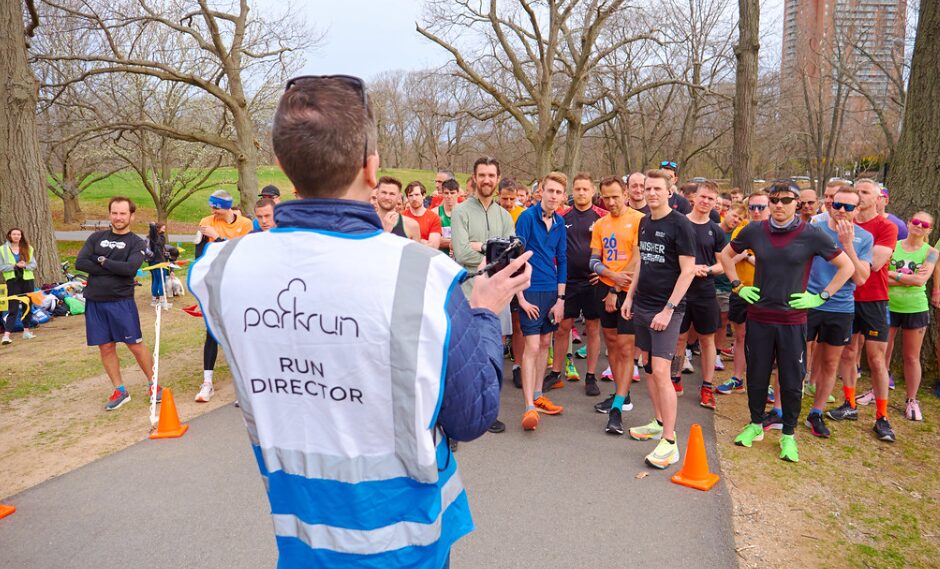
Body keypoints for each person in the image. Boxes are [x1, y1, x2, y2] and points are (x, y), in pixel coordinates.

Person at [189, 75, 534, 569]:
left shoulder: (218, 270)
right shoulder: (424, 275)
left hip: (300, 533)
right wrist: (482, 311)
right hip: (407, 540)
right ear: (372, 168)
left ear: (285, 167)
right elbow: (471, 416)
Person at [719, 180, 853, 463]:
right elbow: (726, 255)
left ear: (798, 204)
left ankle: (789, 435)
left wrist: (821, 296)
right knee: (756, 375)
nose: (779, 205)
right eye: (774, 200)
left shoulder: (811, 234)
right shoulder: (755, 230)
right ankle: (756, 424)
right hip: (759, 317)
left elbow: (847, 266)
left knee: (792, 380)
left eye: (786, 200)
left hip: (793, 319)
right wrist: (738, 285)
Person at [622, 169, 696, 469]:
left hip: (668, 309)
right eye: (647, 188)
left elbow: (688, 270)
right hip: (642, 304)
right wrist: (629, 296)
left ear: (669, 191)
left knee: (663, 372)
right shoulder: (643, 222)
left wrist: (668, 309)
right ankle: (658, 421)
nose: (651, 193)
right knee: (648, 366)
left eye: (656, 188)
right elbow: (641, 261)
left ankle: (669, 441)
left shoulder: (680, 224)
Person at [828, 179, 899, 443]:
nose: (859, 195)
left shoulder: (885, 227)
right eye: (856, 191)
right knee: (848, 352)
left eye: (865, 192)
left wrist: (848, 248)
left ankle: (882, 417)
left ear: (879, 197)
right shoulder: (841, 223)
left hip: (874, 299)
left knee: (876, 358)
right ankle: (849, 404)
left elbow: (876, 264)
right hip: (846, 298)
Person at [451, 156, 516, 434]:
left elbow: (511, 254)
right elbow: (461, 251)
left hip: (497, 293)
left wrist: (483, 246)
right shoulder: (461, 212)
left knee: (492, 353)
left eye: (491, 175)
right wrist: (493, 249)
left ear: (498, 178)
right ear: (475, 178)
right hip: (467, 292)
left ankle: (488, 411)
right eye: (482, 175)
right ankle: (456, 416)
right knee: (463, 356)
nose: (487, 180)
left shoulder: (504, 215)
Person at [75, 197, 159, 411]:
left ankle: (153, 383)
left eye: (123, 213)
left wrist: (101, 260)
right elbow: (81, 262)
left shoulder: (137, 243)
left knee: (135, 345)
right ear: (109, 214)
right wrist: (112, 266)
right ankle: (120, 390)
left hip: (121, 302)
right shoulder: (96, 238)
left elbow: (129, 269)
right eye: (114, 213)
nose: (118, 217)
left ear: (131, 216)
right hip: (95, 301)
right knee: (105, 346)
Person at [802, 186, 872, 438]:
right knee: (794, 357)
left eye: (848, 207)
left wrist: (847, 245)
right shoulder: (814, 229)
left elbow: (861, 278)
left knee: (831, 363)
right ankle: (780, 409)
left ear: (858, 209)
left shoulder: (864, 237)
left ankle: (816, 413)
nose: (841, 211)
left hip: (840, 307)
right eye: (837, 205)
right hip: (808, 302)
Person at [588, 176, 644, 435]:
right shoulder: (600, 224)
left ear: (625, 193)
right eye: (605, 198)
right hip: (604, 288)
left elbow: (638, 257)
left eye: (615, 196)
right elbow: (593, 260)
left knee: (625, 347)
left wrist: (615, 286)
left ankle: (617, 409)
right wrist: (608, 276)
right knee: (611, 342)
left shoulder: (638, 220)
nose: (610, 202)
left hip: (628, 291)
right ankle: (622, 393)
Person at [514, 172, 568, 431]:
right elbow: (517, 257)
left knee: (545, 342)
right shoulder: (526, 218)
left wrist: (561, 299)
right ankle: (528, 406)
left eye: (558, 192)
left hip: (551, 291)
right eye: (550, 191)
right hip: (529, 289)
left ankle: (537, 394)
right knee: (532, 346)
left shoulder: (559, 223)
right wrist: (520, 297)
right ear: (541, 192)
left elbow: (563, 260)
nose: (554, 196)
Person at [194, 189, 254, 403]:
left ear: (227, 207)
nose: (212, 210)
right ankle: (207, 382)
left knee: (239, 332)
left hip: (238, 284)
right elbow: (200, 254)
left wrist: (218, 237)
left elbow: (240, 254)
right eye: (211, 206)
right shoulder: (206, 221)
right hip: (215, 282)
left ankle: (244, 384)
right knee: (211, 331)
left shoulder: (246, 225)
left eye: (216, 206)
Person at [550, 173, 607, 395]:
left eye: (585, 189)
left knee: (593, 328)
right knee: (563, 327)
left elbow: (610, 248)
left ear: (593, 191)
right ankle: (556, 373)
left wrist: (603, 271)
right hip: (568, 281)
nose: (581, 193)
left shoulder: (602, 217)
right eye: (578, 189)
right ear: (572, 192)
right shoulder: (562, 216)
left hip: (593, 281)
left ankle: (590, 376)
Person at [675, 181, 726, 411]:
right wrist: (688, 268)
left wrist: (706, 269)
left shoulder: (716, 230)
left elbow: (722, 265)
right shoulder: (679, 222)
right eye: (703, 197)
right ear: (694, 197)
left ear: (715, 203)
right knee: (679, 338)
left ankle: (706, 386)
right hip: (680, 291)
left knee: (707, 340)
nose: (706, 202)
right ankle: (674, 379)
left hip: (705, 292)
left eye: (711, 199)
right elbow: (670, 257)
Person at [883, 212, 937, 421]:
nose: (919, 226)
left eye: (924, 224)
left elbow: (920, 281)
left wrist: (894, 274)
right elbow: (880, 273)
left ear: (929, 229)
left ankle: (912, 400)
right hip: (888, 305)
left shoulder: (931, 252)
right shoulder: (893, 244)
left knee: (911, 356)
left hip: (915, 308)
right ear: (908, 223)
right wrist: (907, 277)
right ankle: (879, 392)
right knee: (882, 354)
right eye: (915, 222)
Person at [714, 193, 767, 396]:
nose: (756, 211)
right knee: (740, 336)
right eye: (752, 207)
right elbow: (731, 256)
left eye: (761, 207)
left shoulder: (777, 232)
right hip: (742, 290)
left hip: (767, 292)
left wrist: (750, 257)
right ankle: (737, 378)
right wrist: (737, 282)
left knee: (764, 340)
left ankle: (763, 383)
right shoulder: (740, 229)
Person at [714, 203, 745, 360]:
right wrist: (738, 257)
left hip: (727, 284)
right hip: (708, 281)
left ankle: (717, 353)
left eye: (740, 218)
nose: (736, 220)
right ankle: (690, 348)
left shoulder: (738, 236)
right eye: (734, 215)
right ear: (727, 212)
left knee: (723, 320)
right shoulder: (712, 229)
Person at [0, 228, 38, 344]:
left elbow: (33, 265)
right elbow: (1, 267)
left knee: (28, 305)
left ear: (21, 236)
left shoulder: (28, 248)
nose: (16, 236)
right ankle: (6, 335)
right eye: (14, 234)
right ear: (9, 236)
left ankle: (26, 331)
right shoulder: (2, 249)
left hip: (27, 280)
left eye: (18, 234)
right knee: (13, 307)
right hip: (13, 281)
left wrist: (25, 265)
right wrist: (15, 266)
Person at [375, 176, 420, 240]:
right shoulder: (366, 222)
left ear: (399, 197)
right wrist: (386, 233)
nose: (387, 197)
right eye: (384, 192)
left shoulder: (412, 226)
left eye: (392, 194)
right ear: (377, 193)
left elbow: (415, 250)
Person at [403, 181, 443, 249]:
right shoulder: (401, 217)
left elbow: (434, 246)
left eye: (417, 195)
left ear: (423, 195)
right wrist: (423, 242)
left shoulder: (434, 218)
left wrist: (411, 240)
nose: (414, 198)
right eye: (410, 195)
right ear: (407, 198)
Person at [146, 222, 168, 307]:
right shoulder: (158, 237)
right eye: (163, 228)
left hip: (152, 261)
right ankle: (162, 300)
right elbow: (155, 236)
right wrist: (152, 226)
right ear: (158, 229)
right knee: (161, 280)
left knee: (156, 279)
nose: (164, 229)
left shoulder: (151, 237)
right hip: (159, 261)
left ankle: (154, 300)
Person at [437, 178, 460, 256]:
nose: (449, 196)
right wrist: (455, 243)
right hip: (441, 257)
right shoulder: (435, 212)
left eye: (452, 193)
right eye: (446, 193)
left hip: (460, 259)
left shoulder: (466, 212)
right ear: (442, 194)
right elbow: (436, 241)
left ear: (458, 193)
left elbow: (469, 241)